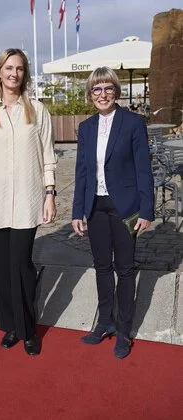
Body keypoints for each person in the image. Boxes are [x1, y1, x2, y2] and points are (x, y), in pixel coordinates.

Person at [0, 48, 57, 356]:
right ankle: (10, 326)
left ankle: (28, 328)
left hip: (27, 203)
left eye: (19, 68)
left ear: (25, 74)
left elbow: (48, 156)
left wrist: (50, 194)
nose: (13, 73)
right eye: (8, 67)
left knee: (21, 266)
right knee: (0, 268)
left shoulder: (37, 111)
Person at [72, 67, 154, 359]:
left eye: (107, 88)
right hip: (96, 206)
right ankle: (104, 322)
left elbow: (144, 169)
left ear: (116, 92)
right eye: (97, 89)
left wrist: (147, 210)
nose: (102, 94)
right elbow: (82, 172)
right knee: (102, 267)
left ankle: (123, 331)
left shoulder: (132, 123)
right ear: (90, 94)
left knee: (125, 269)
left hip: (126, 207)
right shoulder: (86, 128)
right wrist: (77, 211)